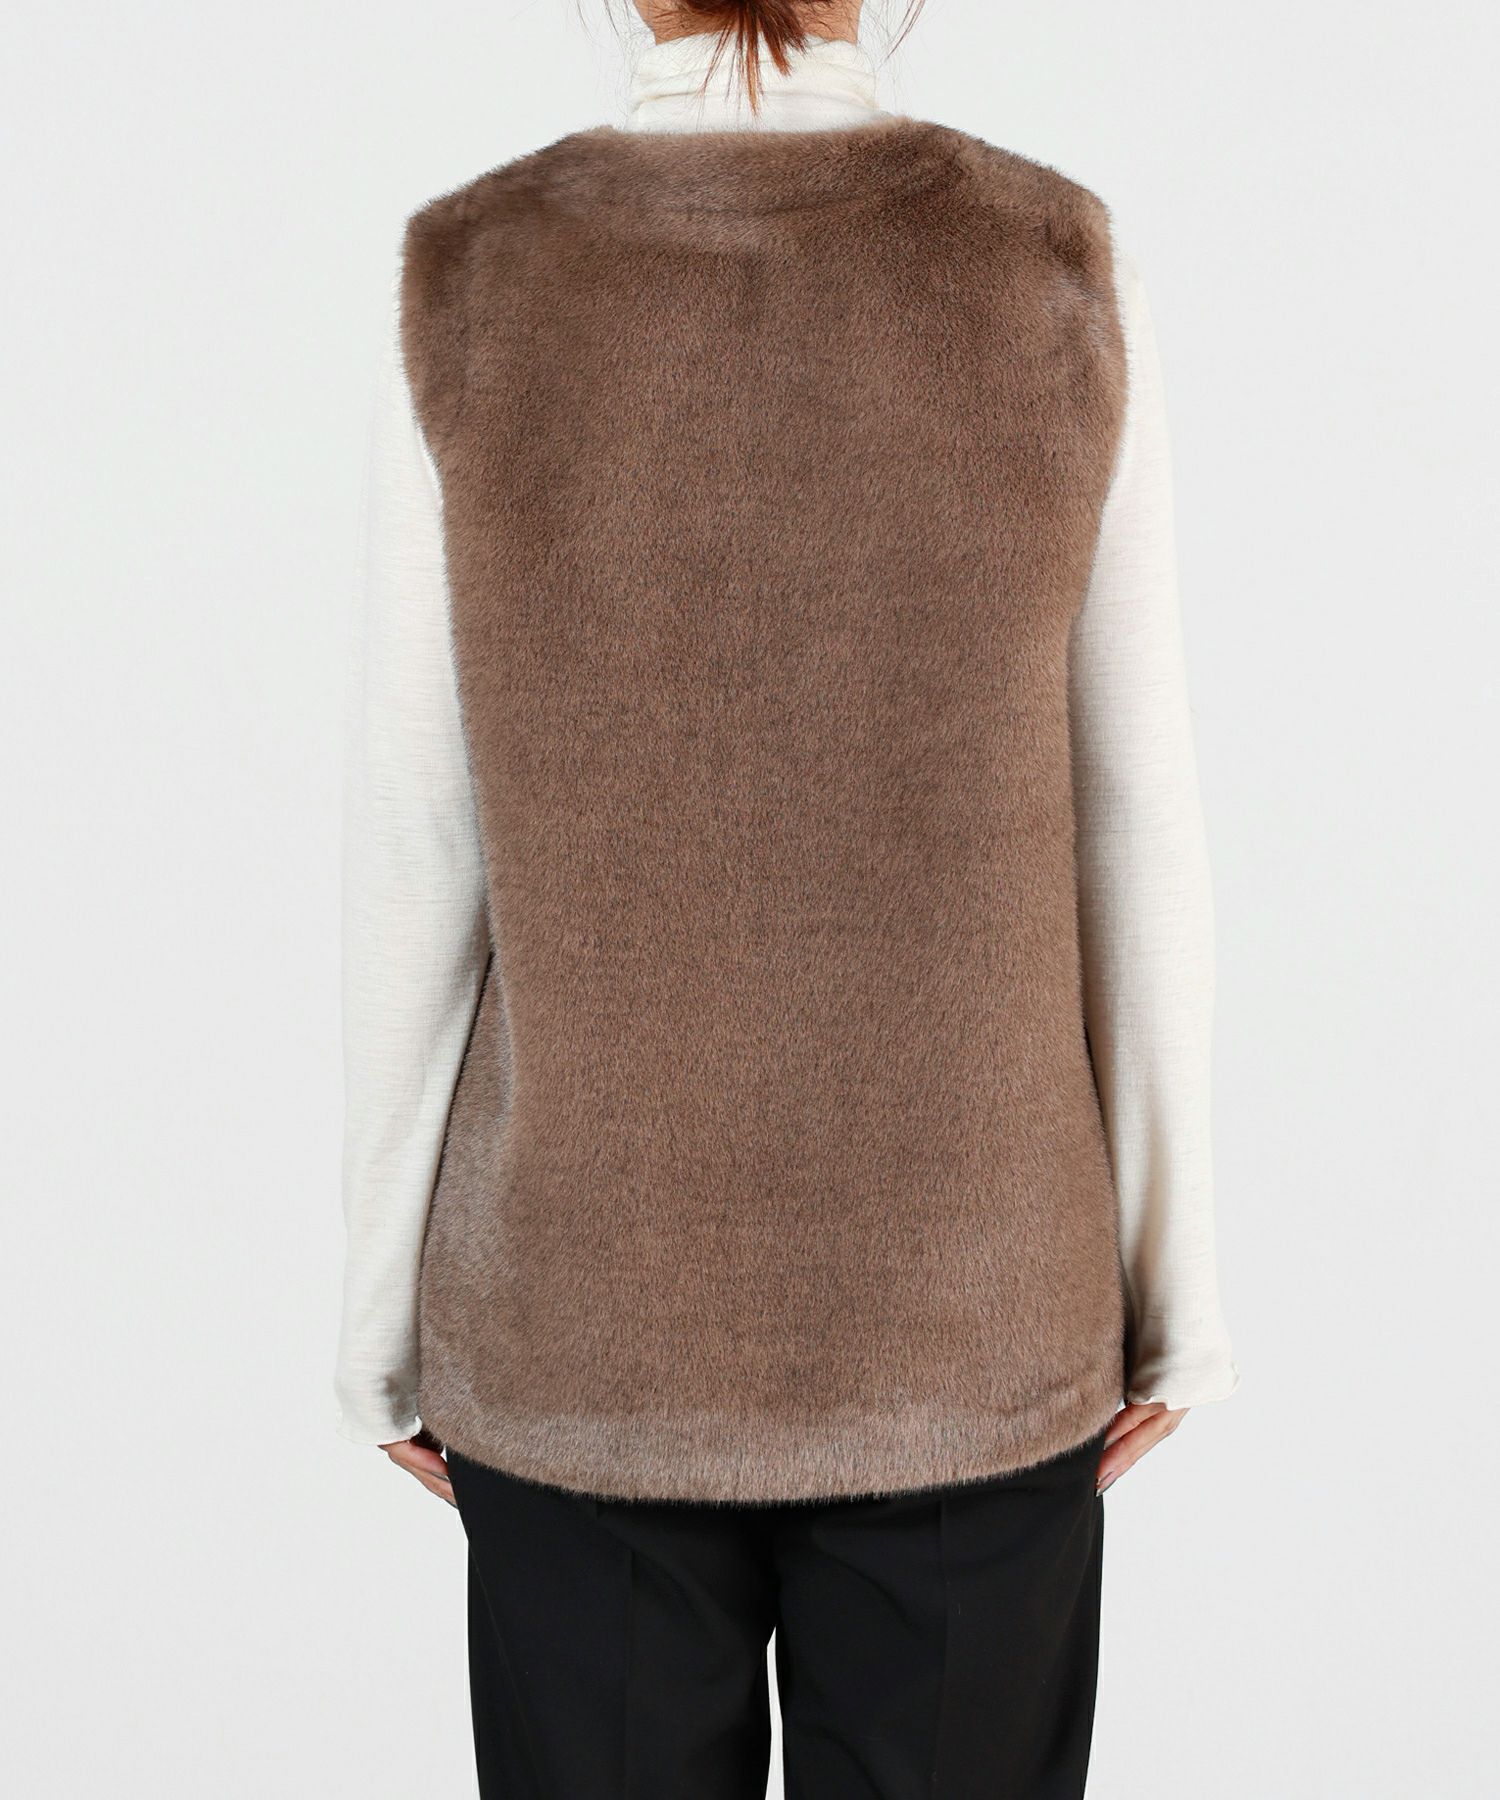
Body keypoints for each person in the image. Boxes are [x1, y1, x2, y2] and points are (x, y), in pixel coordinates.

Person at [335, 1, 1238, 1792]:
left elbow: (421, 837)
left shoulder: (470, 279)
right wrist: (1173, 1289)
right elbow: (1132, 815)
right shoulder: (1051, 265)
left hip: (584, 1332)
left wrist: (379, 1320)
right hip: (976, 1320)